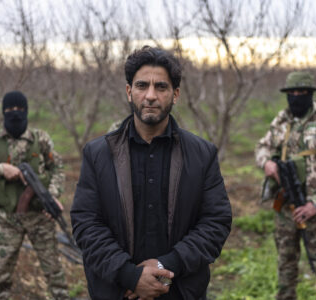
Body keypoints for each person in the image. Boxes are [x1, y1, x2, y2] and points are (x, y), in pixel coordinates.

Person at [70, 46, 232, 300]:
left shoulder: (202, 154)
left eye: (161, 87)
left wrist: (166, 265)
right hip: (118, 290)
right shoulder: (98, 154)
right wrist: (130, 275)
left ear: (175, 94)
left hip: (180, 290)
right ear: (129, 91)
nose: (150, 95)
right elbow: (86, 224)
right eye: (142, 85)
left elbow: (215, 222)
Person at [255, 71, 316, 300]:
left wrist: (315, 204)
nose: (296, 97)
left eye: (301, 93)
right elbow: (262, 146)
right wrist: (267, 162)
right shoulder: (281, 120)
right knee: (285, 268)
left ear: (310, 94)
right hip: (285, 208)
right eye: (292, 93)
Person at [0, 91, 70, 300]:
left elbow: (58, 168)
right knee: (1, 275)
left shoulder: (40, 140)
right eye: (10, 110)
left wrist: (52, 195)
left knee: (54, 272)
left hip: (39, 217)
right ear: (3, 112)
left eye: (20, 110)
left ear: (27, 111)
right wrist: (0, 169)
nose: (15, 114)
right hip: (5, 221)